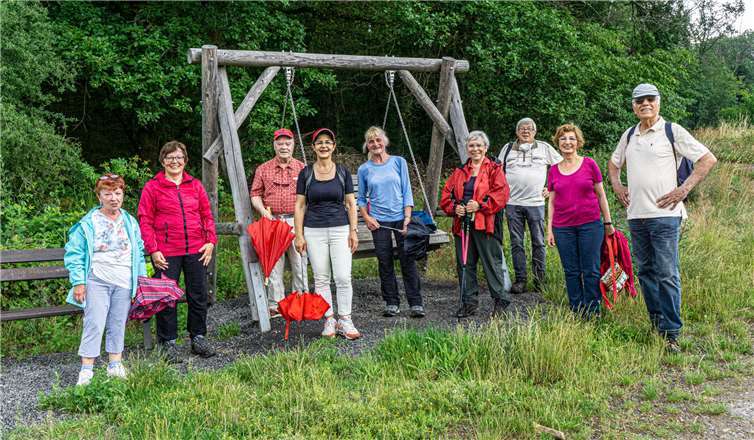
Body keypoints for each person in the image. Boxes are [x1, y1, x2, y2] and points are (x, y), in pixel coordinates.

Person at [608, 83, 717, 351]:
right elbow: (613, 163)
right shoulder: (630, 134)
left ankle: (672, 332)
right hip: (636, 216)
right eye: (639, 100)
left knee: (667, 273)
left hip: (665, 216)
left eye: (650, 99)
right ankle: (656, 324)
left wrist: (684, 189)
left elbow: (707, 159)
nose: (645, 103)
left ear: (658, 102)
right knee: (645, 271)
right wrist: (617, 185)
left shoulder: (672, 131)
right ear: (633, 106)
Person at [138, 140, 218, 362]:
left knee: (198, 294)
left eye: (179, 157)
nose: (175, 161)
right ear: (163, 161)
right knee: (165, 297)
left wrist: (210, 241)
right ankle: (168, 343)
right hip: (166, 252)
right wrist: (153, 249)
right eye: (170, 157)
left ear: (185, 161)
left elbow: (206, 215)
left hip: (196, 249)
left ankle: (198, 338)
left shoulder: (195, 185)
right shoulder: (152, 187)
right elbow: (145, 220)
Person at [64, 173, 147, 386]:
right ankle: (87, 369)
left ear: (123, 195)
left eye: (118, 193)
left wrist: (141, 281)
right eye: (108, 193)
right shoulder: (88, 223)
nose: (113, 198)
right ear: (99, 196)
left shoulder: (129, 221)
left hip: (124, 281)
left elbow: (138, 251)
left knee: (118, 323)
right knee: (94, 322)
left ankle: (115, 364)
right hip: (97, 279)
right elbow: (74, 254)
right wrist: (78, 282)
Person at [294, 128, 361, 340]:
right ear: (313, 147)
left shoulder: (342, 172)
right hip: (314, 230)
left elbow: (351, 204)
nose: (324, 146)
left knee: (342, 276)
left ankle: (345, 319)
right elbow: (300, 206)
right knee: (322, 278)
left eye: (328, 142)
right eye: (319, 142)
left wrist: (353, 231)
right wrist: (299, 234)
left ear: (333, 146)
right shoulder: (306, 173)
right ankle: (329, 319)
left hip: (340, 229)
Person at [546, 124, 615, 318]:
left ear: (578, 142)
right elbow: (551, 201)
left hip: (590, 226)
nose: (567, 142)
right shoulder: (553, 170)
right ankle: (577, 309)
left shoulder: (589, 164)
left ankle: (593, 310)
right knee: (571, 271)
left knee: (591, 269)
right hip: (562, 228)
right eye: (563, 139)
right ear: (558, 143)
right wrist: (549, 229)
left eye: (571, 138)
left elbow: (601, 195)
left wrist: (607, 223)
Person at [440, 130, 511, 318]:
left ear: (485, 148)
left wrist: (480, 204)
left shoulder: (495, 169)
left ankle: (500, 301)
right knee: (465, 264)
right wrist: (455, 207)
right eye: (471, 145)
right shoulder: (459, 172)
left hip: (485, 224)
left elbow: (501, 195)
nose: (475, 149)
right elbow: (446, 196)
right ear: (467, 148)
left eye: (479, 145)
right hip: (462, 224)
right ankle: (468, 303)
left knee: (491, 263)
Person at [357, 126, 424, 318]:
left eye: (378, 140)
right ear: (367, 146)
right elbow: (361, 199)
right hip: (379, 222)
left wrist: (407, 218)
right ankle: (391, 302)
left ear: (385, 141)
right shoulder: (364, 169)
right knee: (384, 261)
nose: (376, 144)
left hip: (401, 218)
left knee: (407, 260)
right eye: (371, 141)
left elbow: (407, 191)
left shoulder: (398, 162)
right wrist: (368, 217)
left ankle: (416, 303)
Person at [498, 118, 562, 293]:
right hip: (512, 203)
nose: (526, 131)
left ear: (535, 132)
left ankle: (539, 280)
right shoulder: (507, 148)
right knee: (516, 242)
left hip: (536, 203)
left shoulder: (544, 147)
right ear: (517, 131)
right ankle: (520, 281)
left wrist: (551, 187)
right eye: (522, 128)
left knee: (539, 242)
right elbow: (496, 171)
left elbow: (561, 167)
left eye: (529, 129)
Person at [250, 128, 308, 317]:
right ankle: (276, 304)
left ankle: (300, 299)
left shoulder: (302, 168)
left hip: (296, 221)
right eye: (280, 143)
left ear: (293, 145)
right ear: (274, 145)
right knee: (274, 264)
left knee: (299, 262)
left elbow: (310, 195)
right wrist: (262, 212)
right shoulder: (263, 168)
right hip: (272, 221)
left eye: (287, 143)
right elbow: (255, 194)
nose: (284, 147)